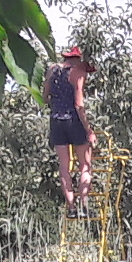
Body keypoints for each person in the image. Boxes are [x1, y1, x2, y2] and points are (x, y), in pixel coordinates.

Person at [46, 46, 94, 213]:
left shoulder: (52, 70)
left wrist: (56, 107)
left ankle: (71, 207)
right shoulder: (78, 73)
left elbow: (45, 96)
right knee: (85, 166)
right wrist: (89, 130)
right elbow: (79, 104)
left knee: (64, 167)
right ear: (78, 60)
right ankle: (84, 206)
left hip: (56, 120)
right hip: (74, 120)